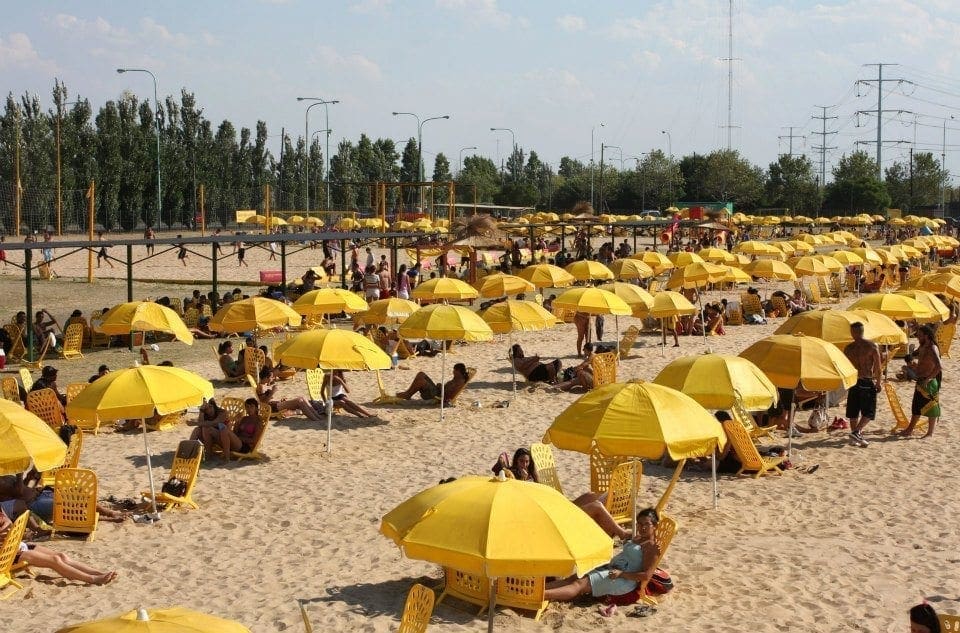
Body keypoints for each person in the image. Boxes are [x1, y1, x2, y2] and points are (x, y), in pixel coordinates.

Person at [544, 508, 661, 601]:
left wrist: (621, 574)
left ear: (655, 526)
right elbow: (622, 533)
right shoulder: (639, 537)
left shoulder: (652, 548)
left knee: (579, 584)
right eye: (640, 524)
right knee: (574, 578)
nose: (643, 527)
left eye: (647, 524)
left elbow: (646, 576)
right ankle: (538, 590)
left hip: (622, 579)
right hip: (612, 568)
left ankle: (543, 595)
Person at [0, 507, 118, 585]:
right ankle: (92, 579)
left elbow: (8, 520)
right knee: (55, 560)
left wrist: (6, 523)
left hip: (14, 546)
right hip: (5, 557)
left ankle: (97, 573)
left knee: (61, 555)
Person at [899, 325, 942, 438]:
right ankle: (909, 429)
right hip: (920, 380)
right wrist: (910, 362)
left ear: (926, 336)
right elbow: (917, 359)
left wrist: (929, 379)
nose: (917, 337)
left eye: (919, 335)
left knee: (931, 407)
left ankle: (930, 433)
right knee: (916, 407)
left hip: (928, 382)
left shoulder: (932, 348)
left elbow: (939, 366)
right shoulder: (922, 347)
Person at [843, 322, 882, 448]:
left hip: (854, 381)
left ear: (852, 332)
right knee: (869, 411)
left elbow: (845, 367)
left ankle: (855, 438)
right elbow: (878, 368)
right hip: (866, 380)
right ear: (862, 331)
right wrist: (878, 382)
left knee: (853, 410)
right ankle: (857, 432)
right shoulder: (872, 346)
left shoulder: (848, 348)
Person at [255, 368, 324, 421]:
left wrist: (279, 400)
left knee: (302, 398)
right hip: (271, 408)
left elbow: (267, 399)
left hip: (275, 405)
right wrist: (273, 392)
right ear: (265, 378)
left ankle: (316, 416)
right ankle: (315, 418)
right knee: (299, 401)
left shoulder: (264, 385)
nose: (272, 378)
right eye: (271, 377)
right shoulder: (261, 387)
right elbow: (264, 403)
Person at [396, 362, 472, 405]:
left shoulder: (459, 382)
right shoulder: (458, 378)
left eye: (454, 370)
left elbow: (448, 395)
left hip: (437, 395)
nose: (453, 372)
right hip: (438, 391)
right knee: (421, 374)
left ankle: (408, 394)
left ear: (458, 371)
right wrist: (441, 386)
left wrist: (441, 388)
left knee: (421, 381)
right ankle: (408, 393)